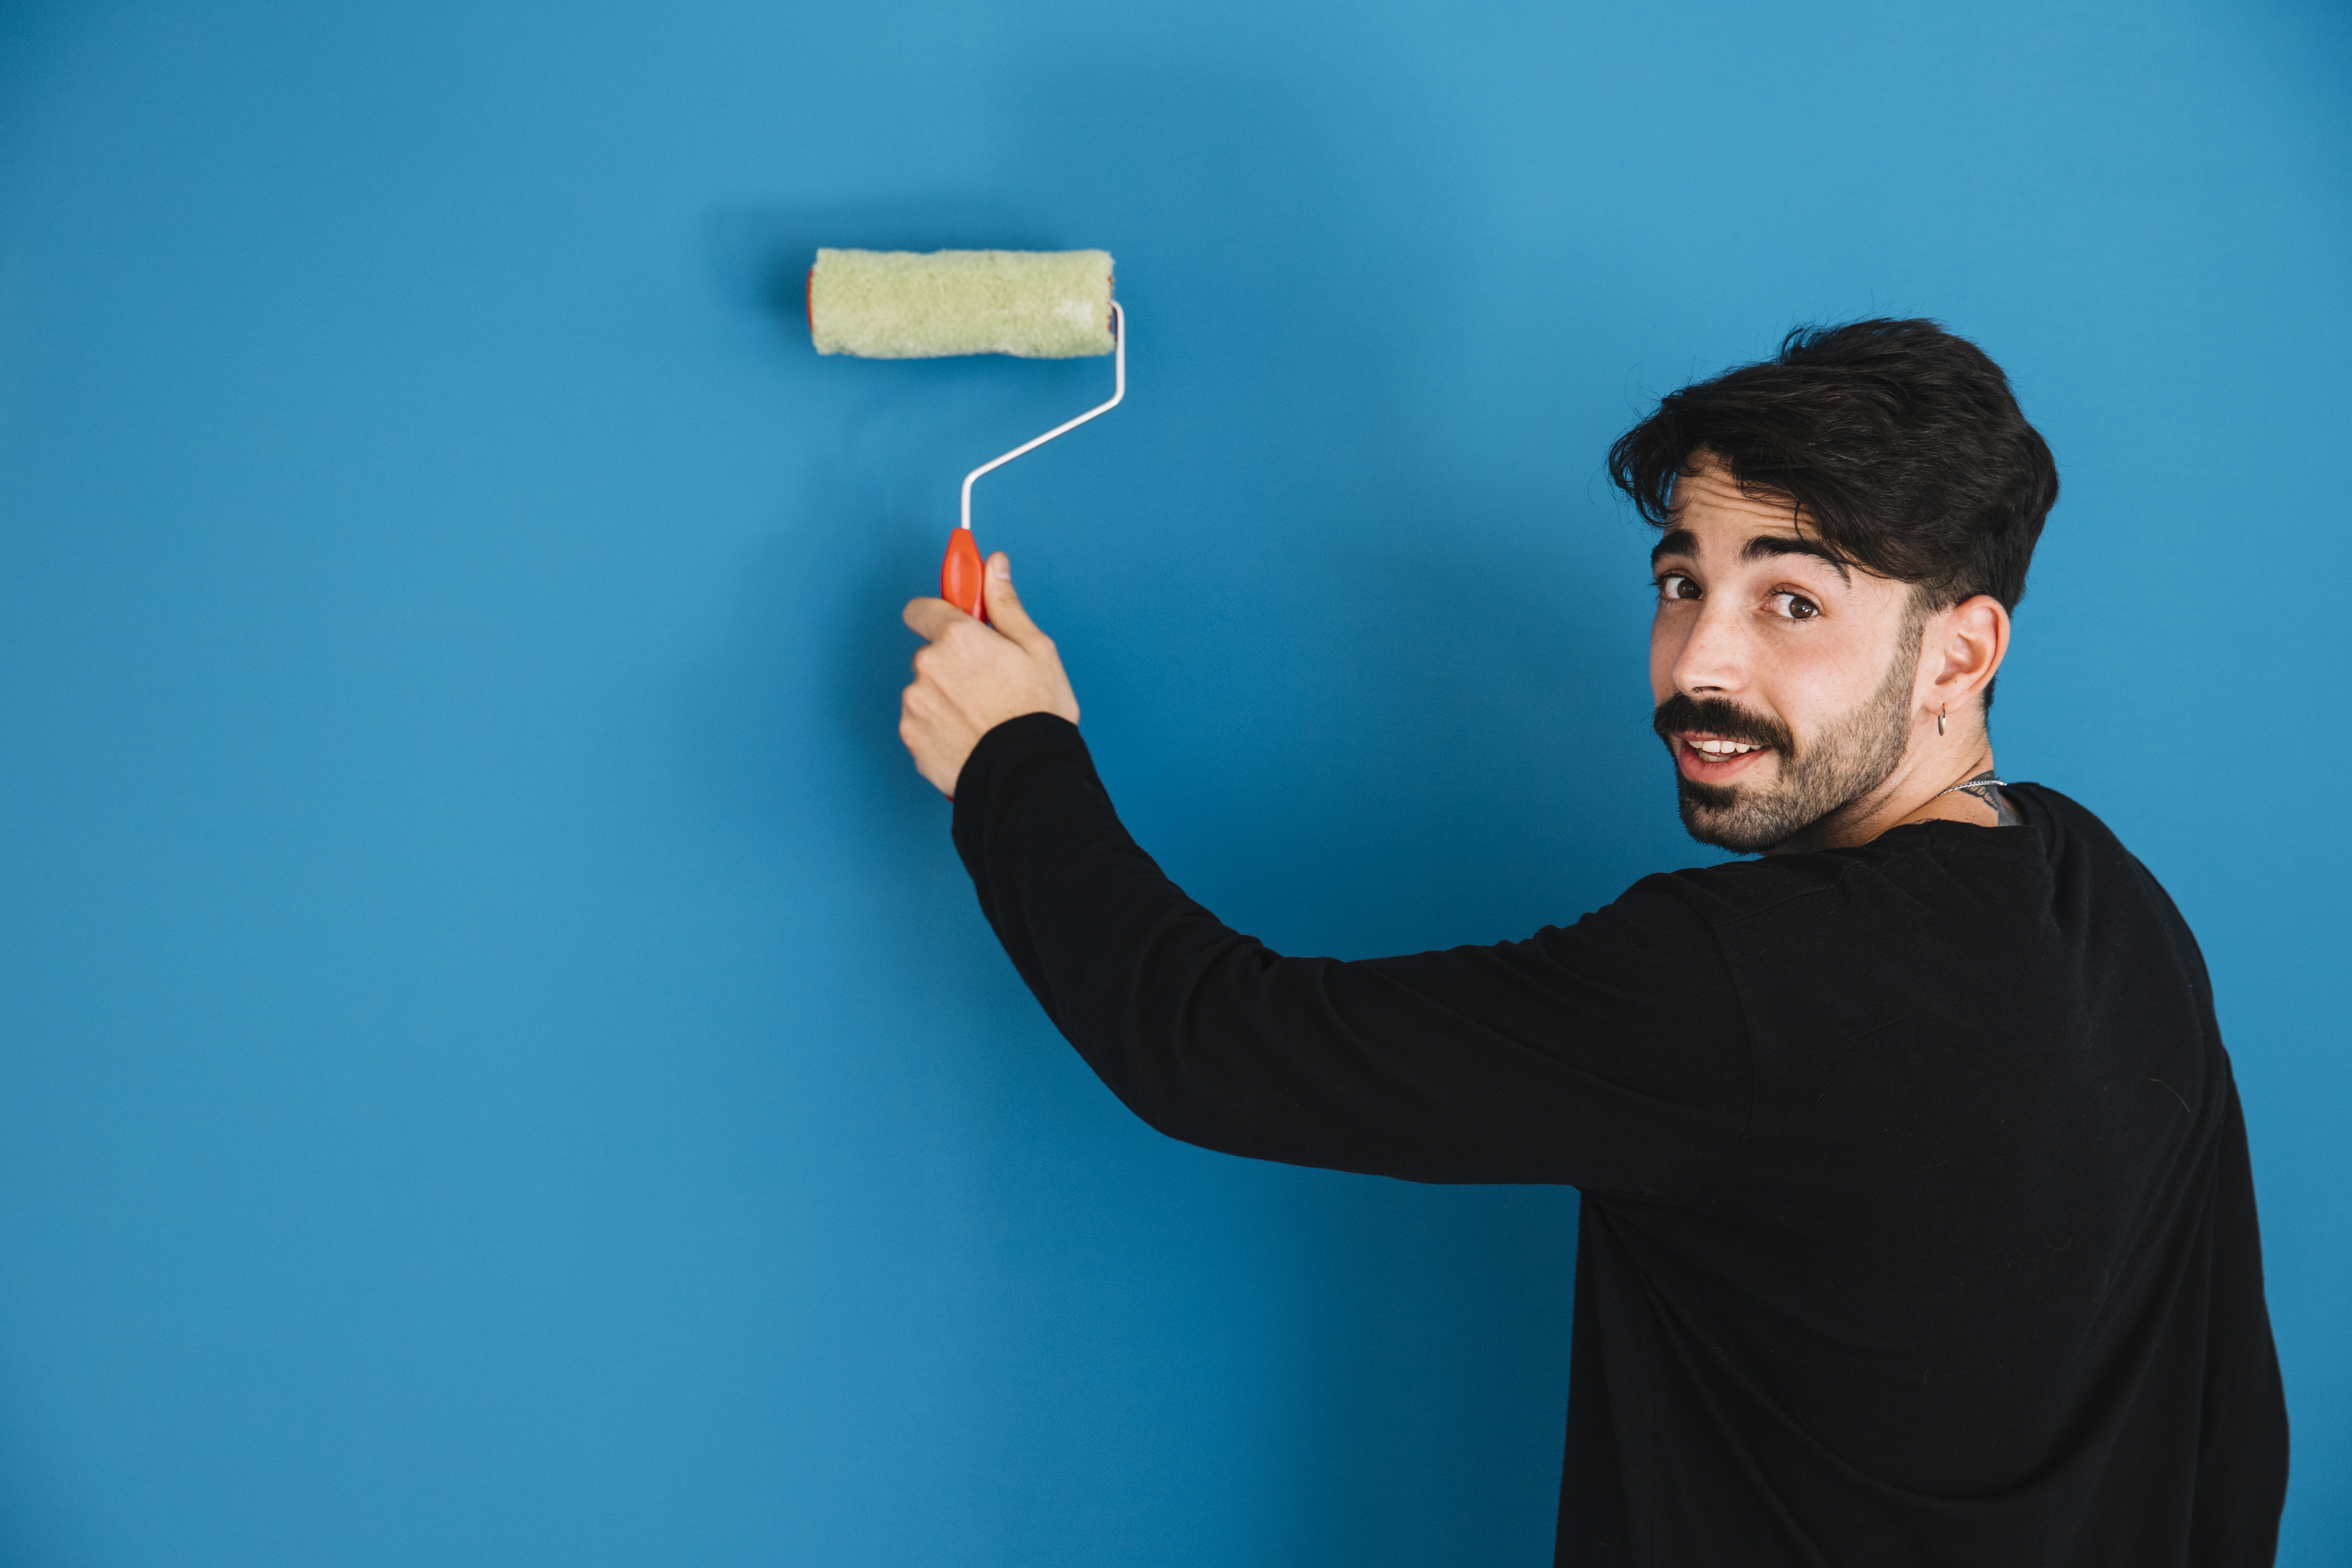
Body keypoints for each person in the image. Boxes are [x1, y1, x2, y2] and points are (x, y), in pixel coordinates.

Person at [895, 319, 2288, 1566]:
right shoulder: (2108, 898)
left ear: (1959, 654)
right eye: (1682, 582)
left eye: (1790, 602)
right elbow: (2234, 1431)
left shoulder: (1736, 981)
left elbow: (1209, 1044)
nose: (1697, 665)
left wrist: (1011, 759)